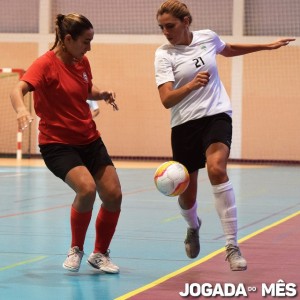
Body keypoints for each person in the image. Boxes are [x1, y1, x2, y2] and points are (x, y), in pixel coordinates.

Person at [155, 0, 295, 271]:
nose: (166, 32)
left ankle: (232, 246)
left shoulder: (208, 37)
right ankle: (193, 226)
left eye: (170, 26)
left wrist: (266, 46)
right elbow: (166, 100)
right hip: (184, 124)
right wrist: (192, 86)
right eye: (161, 27)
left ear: (186, 22)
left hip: (216, 115)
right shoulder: (164, 54)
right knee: (187, 194)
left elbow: (228, 49)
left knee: (217, 169)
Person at [10, 13, 122, 274]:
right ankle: (76, 249)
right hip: (57, 144)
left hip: (89, 139)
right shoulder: (45, 64)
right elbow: (18, 89)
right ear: (68, 39)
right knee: (86, 189)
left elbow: (84, 91)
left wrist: (101, 94)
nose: (89, 47)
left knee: (114, 195)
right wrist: (20, 110)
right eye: (86, 41)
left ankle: (100, 254)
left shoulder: (82, 62)